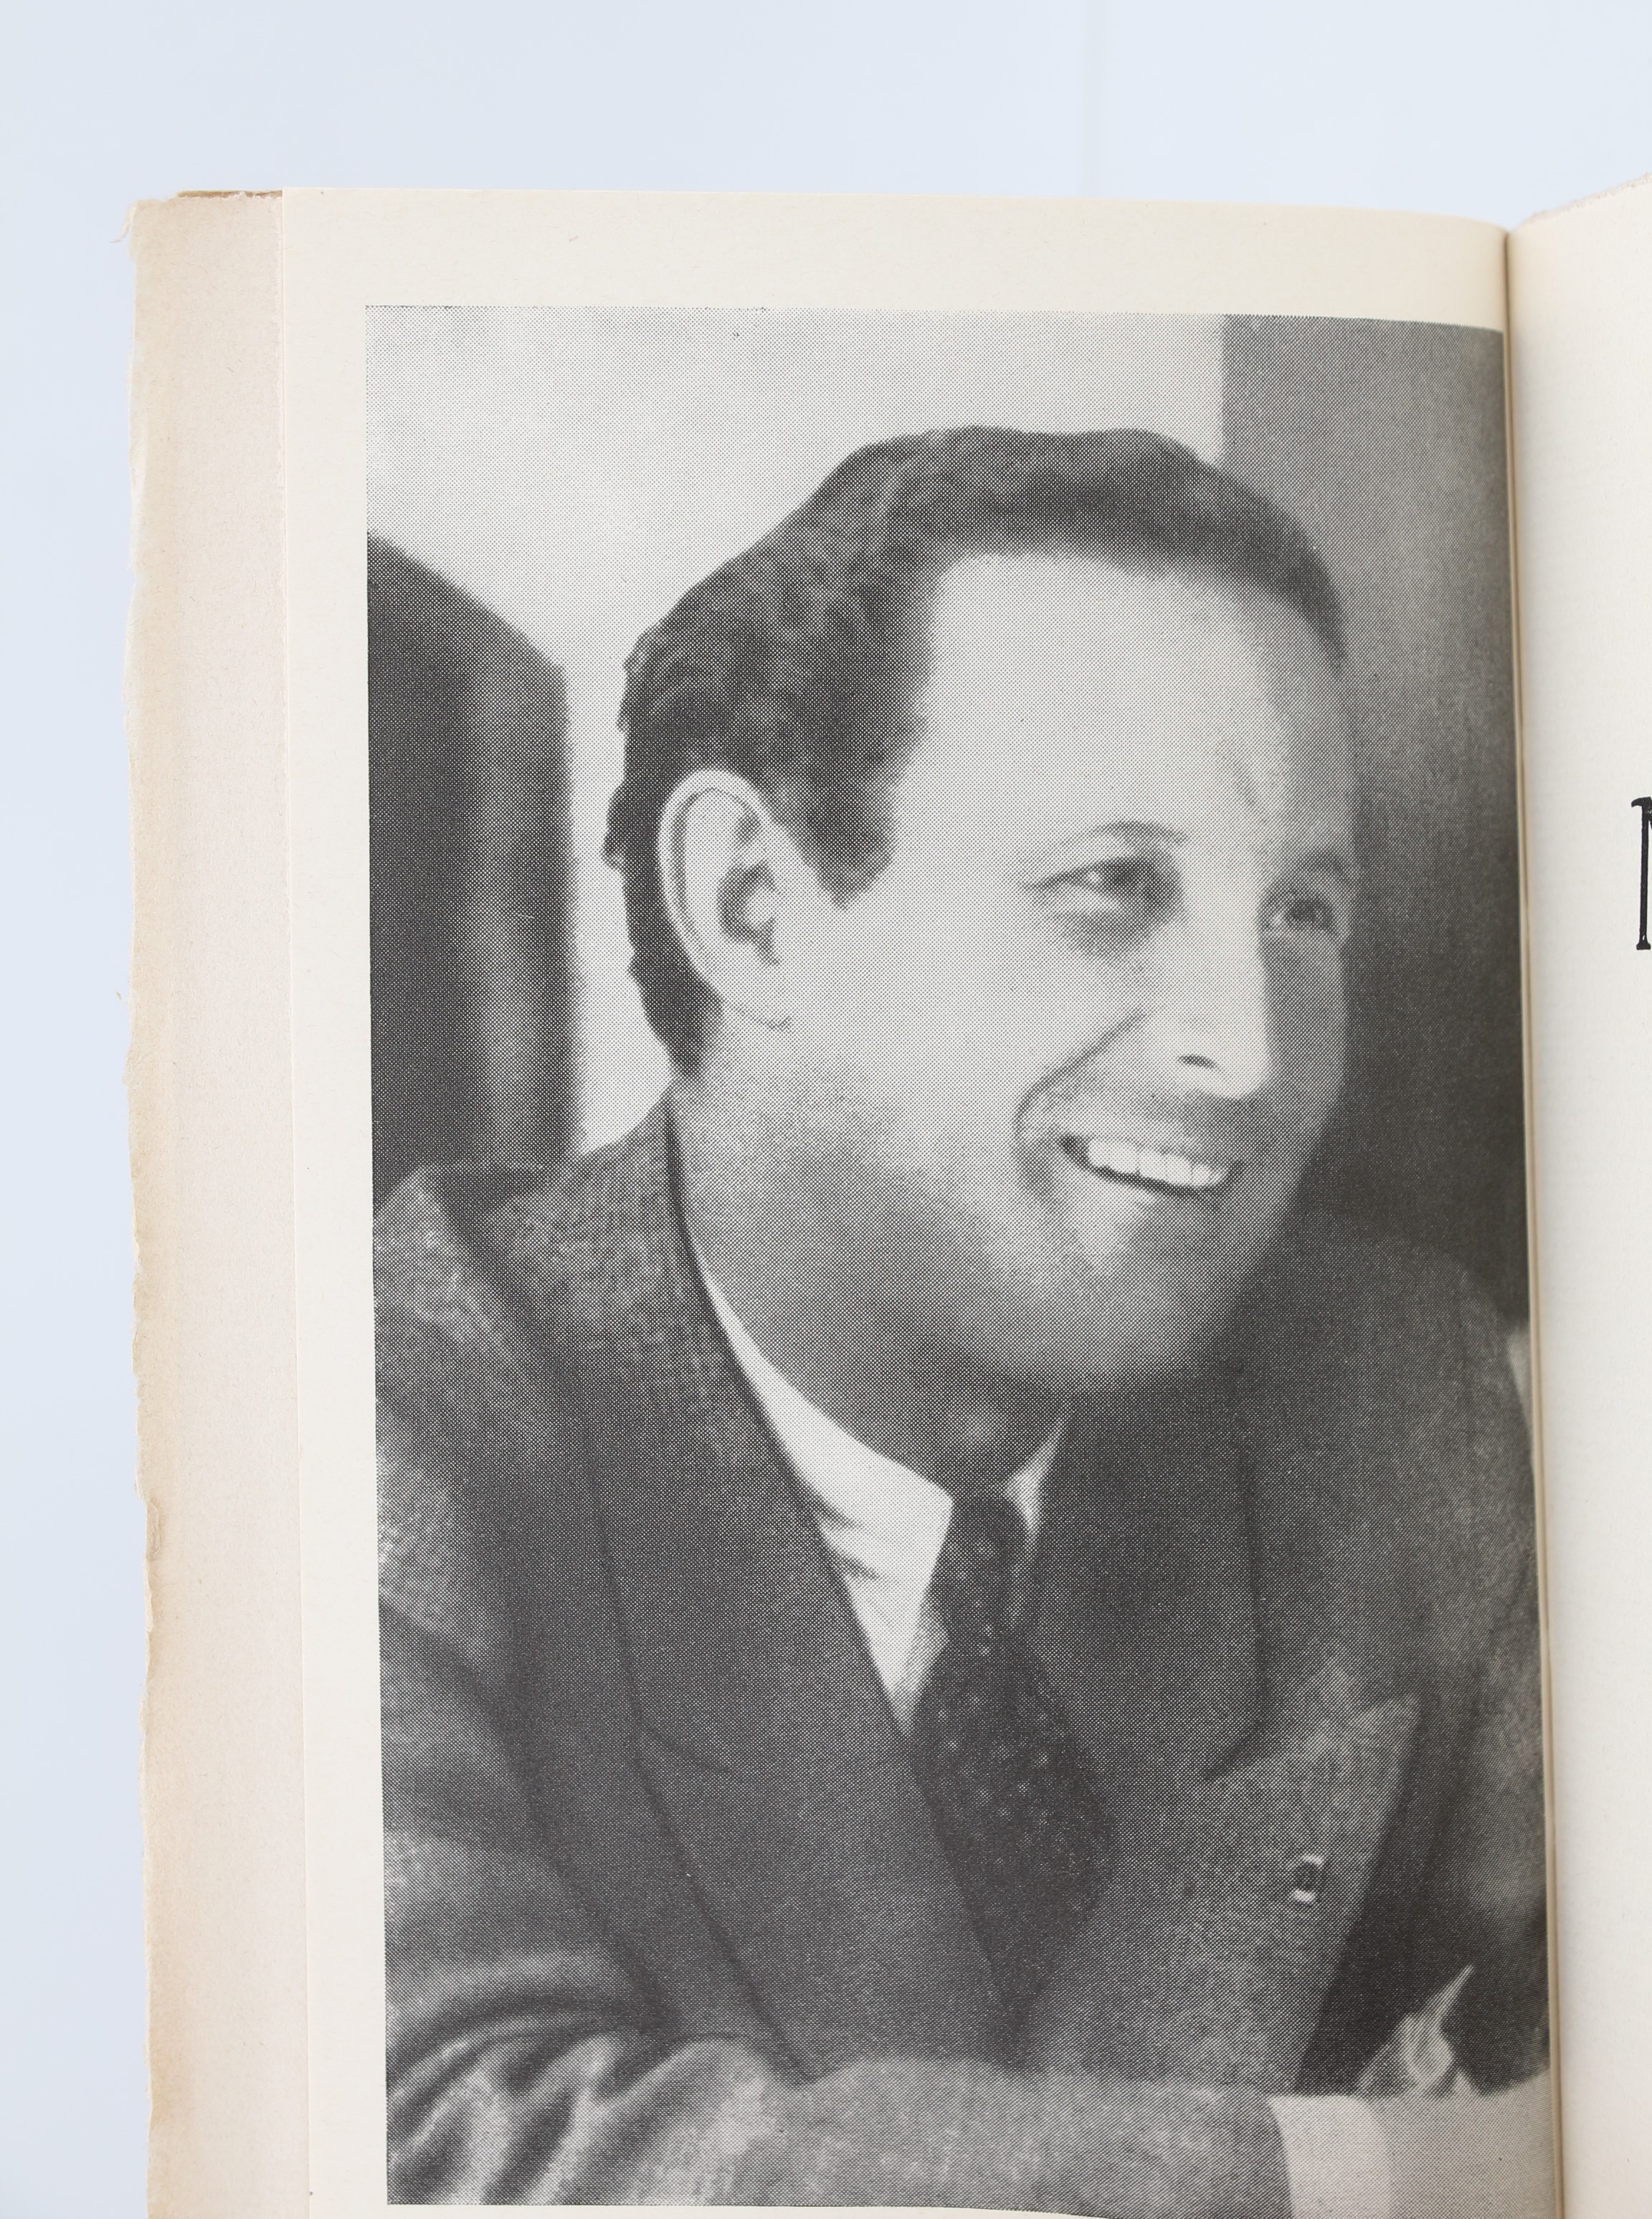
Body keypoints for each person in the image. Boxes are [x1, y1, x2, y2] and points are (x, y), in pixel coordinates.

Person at [376, 427, 1552, 2215]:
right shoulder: (383, 1422)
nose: (1248, 1050)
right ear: (753, 909)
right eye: (1113, 886)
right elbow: (432, 2140)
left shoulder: (1393, 1392)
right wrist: (1369, 2174)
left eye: (1304, 910)